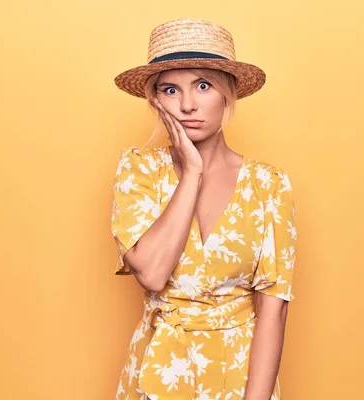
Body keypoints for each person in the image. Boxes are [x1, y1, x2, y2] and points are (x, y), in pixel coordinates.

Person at [111, 18, 297, 400]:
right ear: (156, 101)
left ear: (227, 94)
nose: (187, 105)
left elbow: (273, 308)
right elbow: (152, 274)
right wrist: (192, 172)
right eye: (170, 89)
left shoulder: (269, 184)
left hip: (241, 374)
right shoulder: (138, 170)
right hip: (158, 374)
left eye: (203, 85)